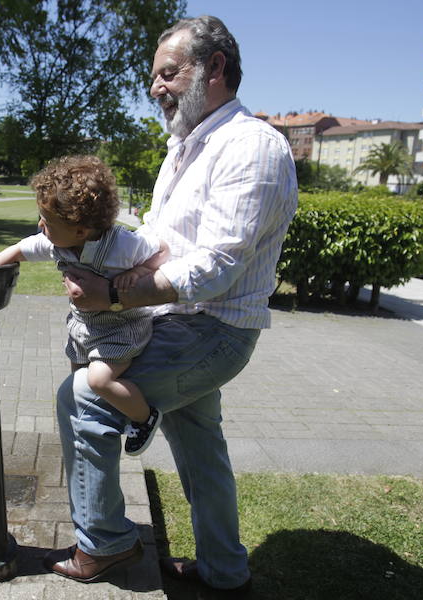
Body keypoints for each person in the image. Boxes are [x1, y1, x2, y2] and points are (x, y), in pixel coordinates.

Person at [42, 15, 298, 598]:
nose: (155, 87)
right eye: (153, 77)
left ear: (215, 67)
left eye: (168, 73)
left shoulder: (251, 147)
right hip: (180, 323)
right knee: (201, 448)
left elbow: (215, 267)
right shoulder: (187, 146)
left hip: (211, 329)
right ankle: (225, 571)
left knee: (83, 397)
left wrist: (112, 294)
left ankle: (105, 541)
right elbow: (162, 237)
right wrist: (108, 252)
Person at [0, 155, 169, 455]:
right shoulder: (55, 241)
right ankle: (97, 420)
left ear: (80, 231)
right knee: (77, 383)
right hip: (83, 327)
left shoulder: (122, 246)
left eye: (47, 221)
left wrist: (139, 271)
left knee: (99, 380)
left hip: (122, 328)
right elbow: (19, 250)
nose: (40, 225)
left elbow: (161, 250)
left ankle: (144, 417)